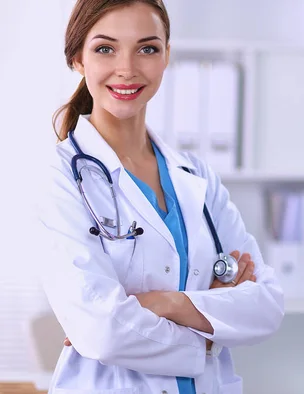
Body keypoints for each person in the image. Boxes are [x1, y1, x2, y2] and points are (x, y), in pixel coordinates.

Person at [34, 0, 285, 393]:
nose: (127, 68)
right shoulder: (61, 177)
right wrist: (207, 333)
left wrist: (163, 304)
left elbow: (266, 305)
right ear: (78, 59)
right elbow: (102, 332)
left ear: (167, 55)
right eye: (105, 48)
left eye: (147, 48)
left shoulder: (196, 176)